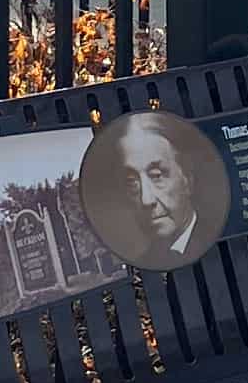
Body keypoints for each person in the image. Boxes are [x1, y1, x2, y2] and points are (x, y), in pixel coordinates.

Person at [81, 105, 223, 269]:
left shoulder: (223, 244)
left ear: (187, 179)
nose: (146, 200)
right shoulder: (145, 260)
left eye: (157, 176)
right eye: (132, 182)